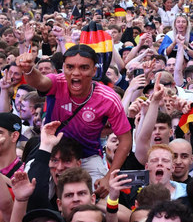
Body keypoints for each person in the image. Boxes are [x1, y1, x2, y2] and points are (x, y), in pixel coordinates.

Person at [17, 44, 132, 196]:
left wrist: (108, 176)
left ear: (94, 70)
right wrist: (29, 70)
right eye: (70, 67)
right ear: (63, 68)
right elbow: (39, 81)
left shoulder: (109, 99)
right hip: (51, 153)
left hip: (88, 156)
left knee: (98, 201)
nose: (76, 73)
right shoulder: (57, 82)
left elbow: (125, 139)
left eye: (84, 68)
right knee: (30, 195)